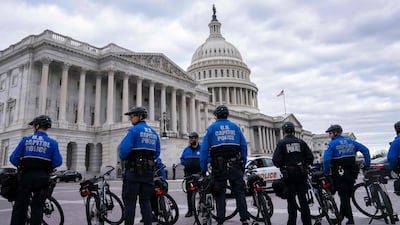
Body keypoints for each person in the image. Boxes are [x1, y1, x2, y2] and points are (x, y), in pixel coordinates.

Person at [200, 105, 250, 225]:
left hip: (219, 167)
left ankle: (220, 220)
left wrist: (203, 167)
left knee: (220, 194)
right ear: (227, 115)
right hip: (235, 165)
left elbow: (204, 150)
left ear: (216, 116)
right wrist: (243, 162)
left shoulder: (211, 128)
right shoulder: (236, 128)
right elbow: (243, 146)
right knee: (239, 193)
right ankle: (244, 219)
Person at [9, 115, 63, 225]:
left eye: (34, 126)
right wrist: (47, 166)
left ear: (37, 126)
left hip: (25, 178)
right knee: (37, 208)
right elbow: (58, 162)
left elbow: (13, 159)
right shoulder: (53, 143)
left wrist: (23, 165)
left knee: (19, 208)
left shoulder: (25, 140)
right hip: (42, 179)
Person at [119, 106, 161, 225]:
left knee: (130, 201)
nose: (131, 119)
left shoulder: (133, 131)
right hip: (148, 172)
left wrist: (126, 157)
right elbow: (157, 152)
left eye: (132, 116)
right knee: (146, 201)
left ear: (140, 117)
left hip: (133, 172)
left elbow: (123, 150)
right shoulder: (153, 133)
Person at [323, 124, 370, 225]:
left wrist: (326, 173)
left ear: (335, 133)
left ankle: (350, 220)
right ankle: (340, 217)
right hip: (352, 173)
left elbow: (326, 160)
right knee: (345, 196)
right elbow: (366, 150)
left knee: (344, 197)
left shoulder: (332, 144)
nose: (329, 135)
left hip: (340, 174)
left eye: (330, 133)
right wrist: (367, 165)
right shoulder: (351, 142)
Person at [272, 121, 314, 225]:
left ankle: (292, 222)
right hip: (301, 173)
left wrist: (283, 165)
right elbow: (310, 157)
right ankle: (307, 223)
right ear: (294, 131)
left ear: (284, 131)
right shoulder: (301, 142)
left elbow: (276, 160)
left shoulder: (281, 143)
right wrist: (304, 164)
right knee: (303, 200)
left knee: (291, 201)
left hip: (289, 175)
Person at [180, 131, 201, 217]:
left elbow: (207, 157)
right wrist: (184, 163)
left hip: (199, 173)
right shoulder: (186, 149)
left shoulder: (202, 148)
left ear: (196, 139)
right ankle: (190, 210)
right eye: (190, 138)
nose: (191, 140)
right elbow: (182, 158)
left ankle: (202, 207)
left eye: (193, 138)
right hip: (189, 174)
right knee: (189, 193)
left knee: (202, 191)